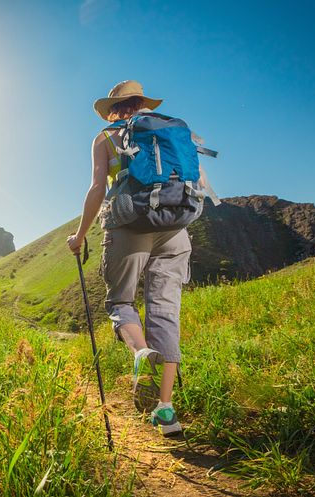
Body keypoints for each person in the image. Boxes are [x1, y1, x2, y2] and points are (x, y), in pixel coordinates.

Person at [66, 80, 191, 436]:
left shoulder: (106, 137)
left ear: (114, 108)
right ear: (141, 103)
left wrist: (80, 235)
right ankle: (166, 412)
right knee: (165, 312)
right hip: (176, 226)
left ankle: (139, 354)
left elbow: (97, 188)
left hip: (130, 223)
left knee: (121, 299)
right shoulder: (167, 129)